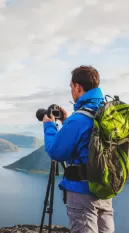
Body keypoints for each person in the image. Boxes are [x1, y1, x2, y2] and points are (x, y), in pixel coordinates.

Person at [43, 65, 115, 233]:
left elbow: (56, 152)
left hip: (82, 193)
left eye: (71, 87)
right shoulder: (105, 112)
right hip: (105, 188)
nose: (71, 91)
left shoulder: (79, 119)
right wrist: (68, 121)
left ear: (78, 87)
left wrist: (49, 127)